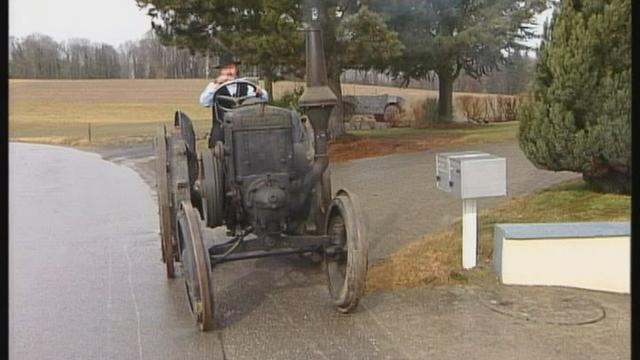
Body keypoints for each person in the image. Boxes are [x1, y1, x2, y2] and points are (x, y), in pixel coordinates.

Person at [199, 53, 268, 107]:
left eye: (231, 68)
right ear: (221, 71)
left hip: (243, 120)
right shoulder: (214, 86)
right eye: (225, 69)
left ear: (236, 69)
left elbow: (265, 98)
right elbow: (204, 102)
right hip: (223, 123)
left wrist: (259, 92)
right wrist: (216, 84)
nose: (229, 71)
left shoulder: (245, 84)